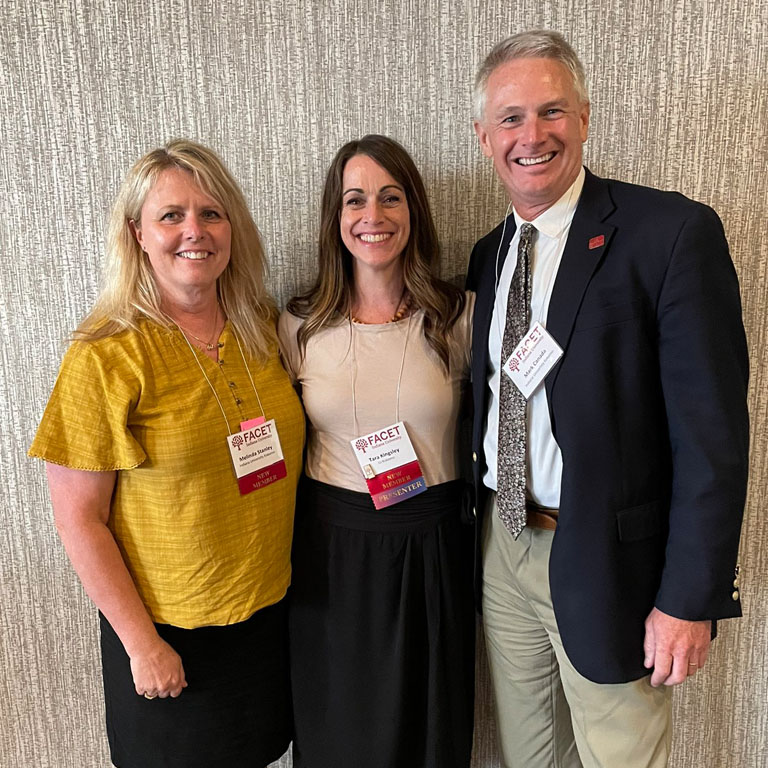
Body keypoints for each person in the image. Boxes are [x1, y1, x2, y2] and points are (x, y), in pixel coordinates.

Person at [466, 30, 749, 768]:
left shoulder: (670, 234)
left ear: (585, 118)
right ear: (484, 135)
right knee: (532, 757)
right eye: (511, 117)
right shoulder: (488, 254)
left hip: (612, 562)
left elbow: (712, 437)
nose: (533, 135)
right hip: (505, 545)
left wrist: (690, 597)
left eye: (552, 112)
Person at [29, 139, 305, 768]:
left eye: (212, 213)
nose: (194, 231)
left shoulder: (260, 329)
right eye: (171, 215)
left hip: (266, 617)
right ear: (138, 234)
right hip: (170, 635)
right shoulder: (105, 354)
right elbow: (78, 518)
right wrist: (141, 644)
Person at [278, 134, 475, 768]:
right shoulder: (299, 326)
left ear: (413, 210)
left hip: (431, 552)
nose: (374, 216)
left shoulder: (459, 317)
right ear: (335, 219)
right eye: (355, 199)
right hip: (331, 558)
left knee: (427, 730)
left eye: (391, 198)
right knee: (340, 730)